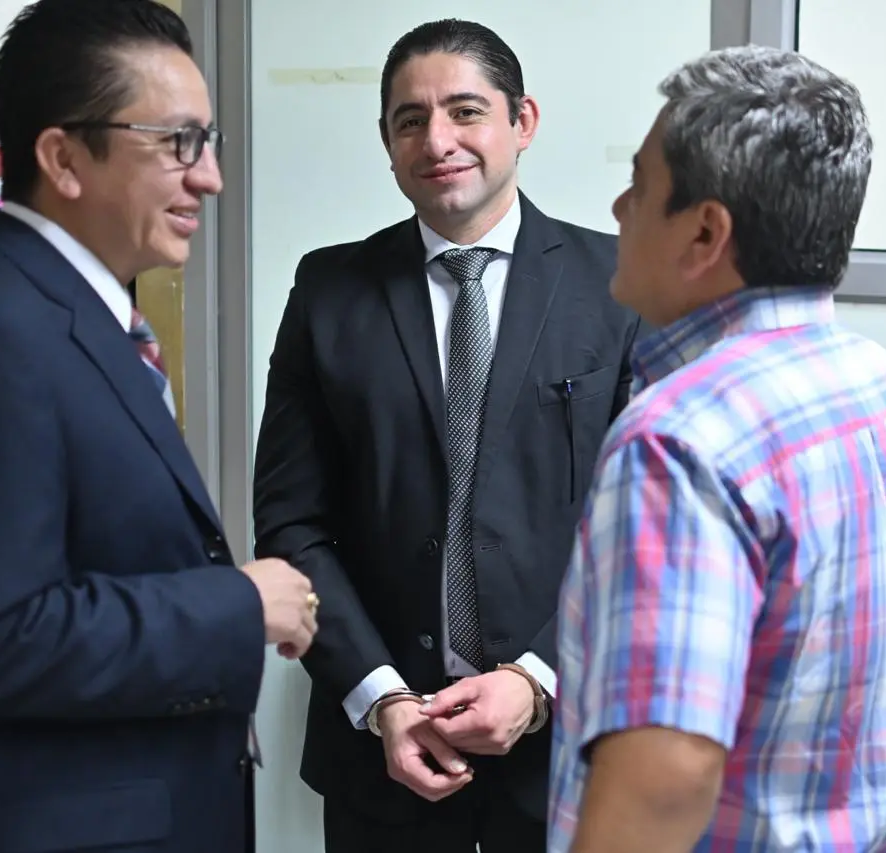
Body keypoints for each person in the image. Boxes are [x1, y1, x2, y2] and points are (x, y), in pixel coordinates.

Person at [0, 2, 317, 852]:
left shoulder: (75, 315)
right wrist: (237, 603)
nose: (210, 176)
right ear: (64, 157)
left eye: (208, 141)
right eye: (179, 142)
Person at [549, 45, 886, 853]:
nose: (620, 206)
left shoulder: (681, 438)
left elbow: (663, 780)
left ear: (705, 231)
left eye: (642, 183)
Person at [252, 17, 641, 853]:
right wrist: (382, 697)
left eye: (466, 111)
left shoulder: (618, 286)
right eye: (408, 120)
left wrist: (539, 679)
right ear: (386, 143)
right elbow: (292, 520)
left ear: (521, 122)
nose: (438, 140)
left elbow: (642, 527)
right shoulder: (328, 291)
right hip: (384, 752)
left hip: (569, 753)